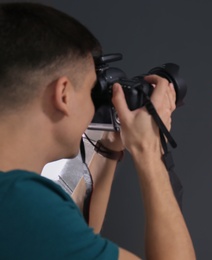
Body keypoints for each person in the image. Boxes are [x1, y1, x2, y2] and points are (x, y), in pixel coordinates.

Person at [0, 2, 195, 260]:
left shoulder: (20, 207)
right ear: (64, 94)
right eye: (92, 90)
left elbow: (75, 241)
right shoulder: (22, 204)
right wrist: (148, 149)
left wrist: (108, 148)